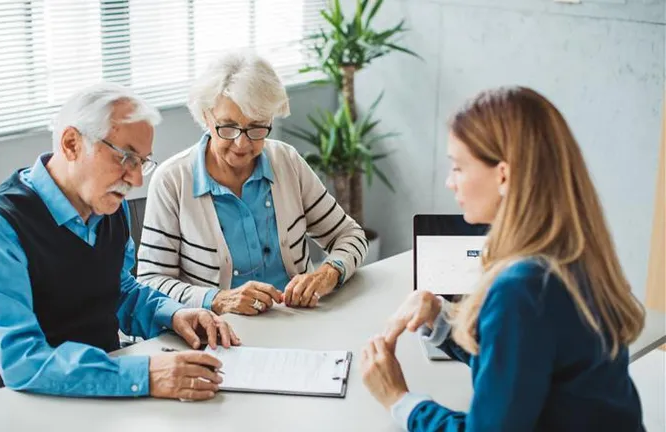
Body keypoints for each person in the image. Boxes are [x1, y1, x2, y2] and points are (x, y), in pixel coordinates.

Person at [360, 86, 645, 431]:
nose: (451, 183)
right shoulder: (575, 253)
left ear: (504, 175)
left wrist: (399, 399)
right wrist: (442, 327)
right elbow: (523, 367)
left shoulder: (522, 289)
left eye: (458, 168)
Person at [0, 83, 240, 403]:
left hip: (93, 393)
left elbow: (118, 291)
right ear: (71, 143)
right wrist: (146, 375)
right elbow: (23, 362)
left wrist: (174, 315)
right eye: (127, 157)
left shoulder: (107, 207)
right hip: (4, 407)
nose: (136, 180)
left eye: (142, 162)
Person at [137, 50, 368, 315]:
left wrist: (329, 272)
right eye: (228, 126)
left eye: (257, 127)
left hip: (300, 321)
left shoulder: (286, 161)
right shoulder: (172, 181)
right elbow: (151, 281)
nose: (242, 143)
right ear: (206, 116)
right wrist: (218, 299)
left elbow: (350, 235)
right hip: (220, 332)